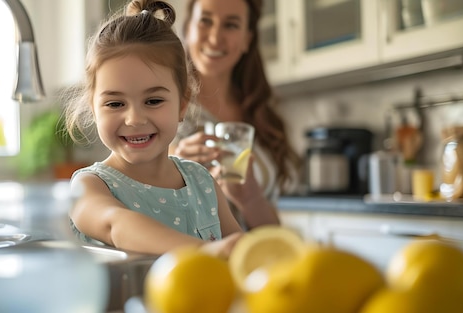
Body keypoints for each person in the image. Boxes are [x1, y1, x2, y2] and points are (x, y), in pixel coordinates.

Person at [63, 0, 243, 257]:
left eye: (153, 101)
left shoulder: (202, 182)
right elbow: (118, 225)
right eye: (115, 103)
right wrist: (207, 253)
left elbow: (241, 255)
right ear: (93, 109)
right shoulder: (89, 187)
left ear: (182, 105)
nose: (134, 119)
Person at [171, 0, 300, 229]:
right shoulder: (165, 107)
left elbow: (270, 230)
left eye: (231, 25)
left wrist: (250, 200)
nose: (214, 37)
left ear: (247, 39)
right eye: (205, 21)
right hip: (197, 261)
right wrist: (173, 172)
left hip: (255, 258)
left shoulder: (261, 115)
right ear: (188, 28)